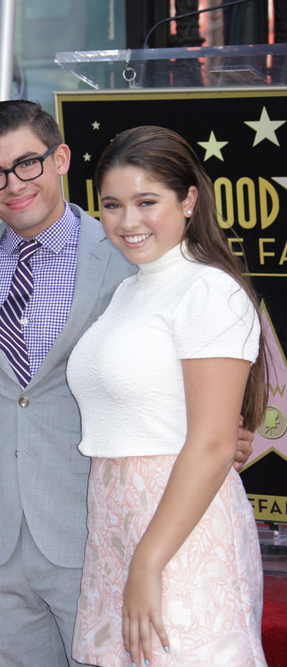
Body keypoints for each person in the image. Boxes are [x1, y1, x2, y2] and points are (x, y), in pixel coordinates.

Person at [0, 100, 255, 667]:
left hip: (96, 522)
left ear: (61, 159)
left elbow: (205, 391)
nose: (13, 184)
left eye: (28, 163)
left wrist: (222, 436)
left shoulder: (132, 256)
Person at [68, 125, 267, 667]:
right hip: (117, 524)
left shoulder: (208, 289)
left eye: (146, 202)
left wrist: (149, 563)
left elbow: (212, 444)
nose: (128, 221)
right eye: (112, 205)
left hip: (179, 532)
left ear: (189, 201)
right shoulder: (130, 290)